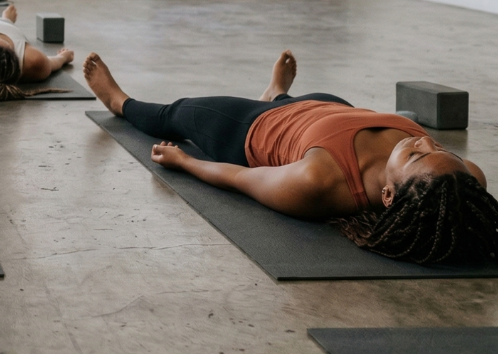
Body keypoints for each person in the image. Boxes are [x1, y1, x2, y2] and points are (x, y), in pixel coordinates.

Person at [82, 50, 498, 265]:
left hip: (252, 127)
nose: (425, 144)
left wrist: (186, 164)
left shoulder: (318, 183)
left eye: (414, 156)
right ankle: (277, 90)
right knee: (314, 101)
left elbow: (242, 180)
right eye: (436, 147)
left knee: (176, 113)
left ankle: (119, 100)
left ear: (388, 195)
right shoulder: (459, 182)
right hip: (331, 109)